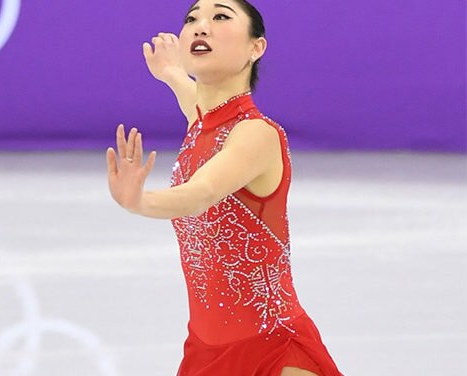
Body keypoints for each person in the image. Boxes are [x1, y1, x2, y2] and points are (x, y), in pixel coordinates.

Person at [106, 1, 345, 375]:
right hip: (204, 350)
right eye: (192, 19)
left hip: (272, 349)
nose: (201, 26)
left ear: (256, 48)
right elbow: (199, 108)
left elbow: (200, 193)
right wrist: (171, 73)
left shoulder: (256, 135)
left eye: (220, 17)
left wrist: (141, 201)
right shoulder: (204, 124)